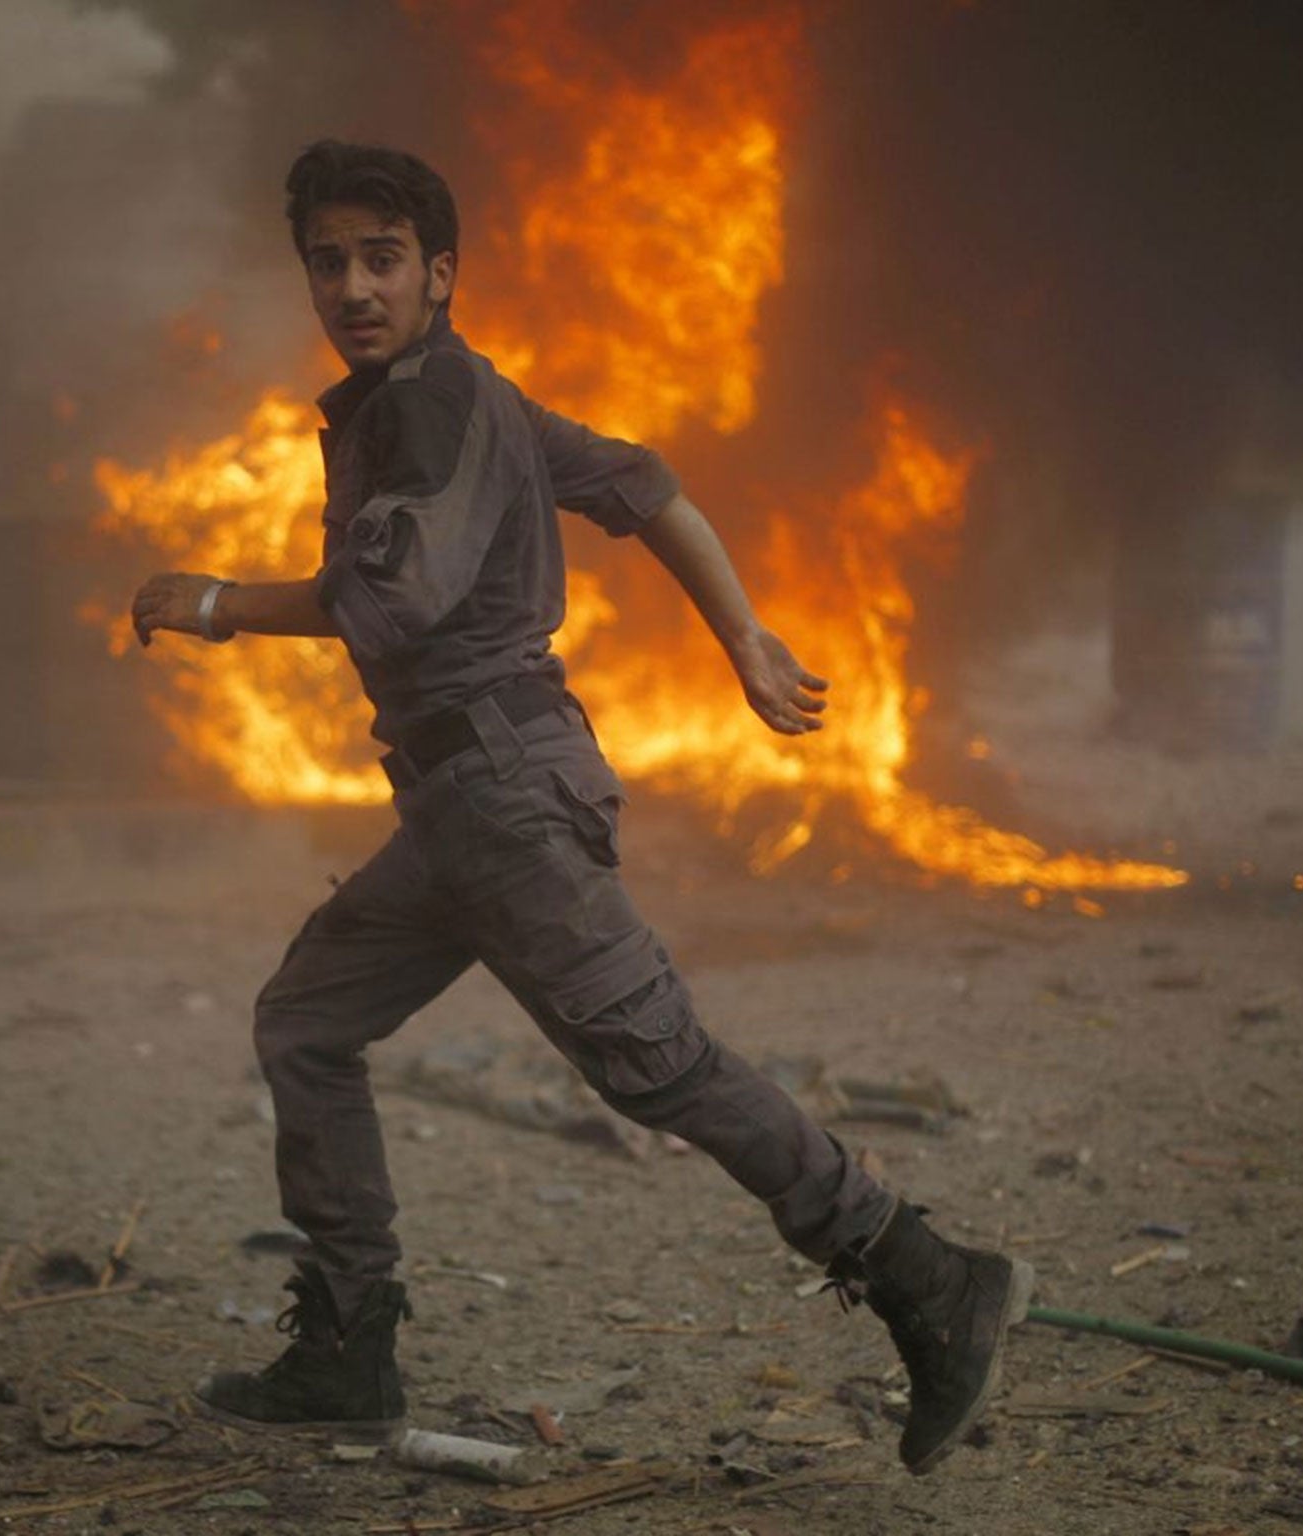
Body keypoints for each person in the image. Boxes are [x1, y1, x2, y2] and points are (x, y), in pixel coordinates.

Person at [130, 140, 1030, 1476]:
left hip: (502, 799)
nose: (354, 287)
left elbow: (398, 598)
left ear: (441, 273)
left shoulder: (435, 404)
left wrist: (214, 604)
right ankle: (348, 1349)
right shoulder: (467, 399)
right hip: (457, 809)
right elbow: (643, 483)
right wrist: (744, 640)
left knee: (660, 1066)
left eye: (383, 259)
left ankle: (924, 1273)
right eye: (330, 261)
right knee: (308, 1021)